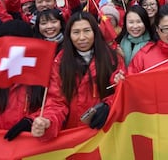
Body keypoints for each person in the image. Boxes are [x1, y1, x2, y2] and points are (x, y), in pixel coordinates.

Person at [30, 12, 123, 141]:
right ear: (69, 35)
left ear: (95, 32)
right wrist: (47, 122)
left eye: (87, 31)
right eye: (76, 32)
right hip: (74, 136)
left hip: (106, 133)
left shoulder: (112, 58)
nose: (82, 37)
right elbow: (56, 102)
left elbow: (122, 93)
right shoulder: (60, 63)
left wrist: (108, 106)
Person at [0, 20, 44, 139]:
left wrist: (32, 121)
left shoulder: (42, 74)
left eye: (16, 43)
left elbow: (54, 105)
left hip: (28, 147)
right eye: (5, 43)